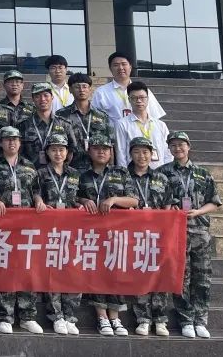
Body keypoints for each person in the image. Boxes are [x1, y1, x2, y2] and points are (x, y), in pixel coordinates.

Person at [0, 126, 43, 335]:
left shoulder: (29, 165)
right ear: (1, 143)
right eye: (7, 139)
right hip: (2, 225)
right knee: (4, 267)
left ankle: (27, 315)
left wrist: (39, 201)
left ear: (20, 142)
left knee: (27, 267)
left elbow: (36, 190)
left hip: (26, 225)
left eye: (15, 139)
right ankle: (5, 315)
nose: (12, 142)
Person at [159, 131, 221, 340]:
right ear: (169, 149)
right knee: (181, 276)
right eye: (173, 145)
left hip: (200, 232)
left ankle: (201, 320)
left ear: (188, 147)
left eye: (181, 145)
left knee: (202, 277)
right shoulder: (163, 173)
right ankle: (185, 319)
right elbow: (159, 202)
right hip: (175, 233)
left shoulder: (202, 173)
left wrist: (198, 212)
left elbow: (214, 202)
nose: (178, 148)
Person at [77, 134, 138, 336]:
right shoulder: (82, 175)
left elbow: (134, 200)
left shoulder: (121, 172)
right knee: (96, 271)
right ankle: (102, 316)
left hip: (117, 231)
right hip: (92, 232)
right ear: (89, 151)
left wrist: (114, 199)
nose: (101, 152)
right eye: (96, 148)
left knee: (115, 270)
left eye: (105, 148)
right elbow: (73, 196)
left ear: (111, 152)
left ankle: (115, 317)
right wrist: (83, 201)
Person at [32, 132, 81, 335]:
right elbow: (35, 192)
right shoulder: (41, 173)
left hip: (72, 229)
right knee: (52, 270)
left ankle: (70, 316)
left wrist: (84, 202)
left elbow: (79, 197)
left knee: (72, 270)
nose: (58, 153)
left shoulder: (75, 174)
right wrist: (38, 201)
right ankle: (57, 315)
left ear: (67, 152)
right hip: (50, 228)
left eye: (61, 150)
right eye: (54, 150)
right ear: (47, 153)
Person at [126, 136, 172, 337]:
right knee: (140, 275)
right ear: (130, 154)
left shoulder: (161, 178)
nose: (141, 156)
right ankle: (143, 319)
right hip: (134, 235)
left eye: (145, 152)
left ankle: (160, 319)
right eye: (137, 152)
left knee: (159, 274)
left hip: (157, 235)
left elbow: (168, 204)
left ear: (152, 154)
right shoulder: (123, 176)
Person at [55, 73, 113, 172]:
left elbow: (110, 144)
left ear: (90, 89)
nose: (81, 90)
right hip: (71, 168)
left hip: (97, 169)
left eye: (85, 86)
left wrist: (110, 168)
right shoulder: (61, 115)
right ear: (70, 90)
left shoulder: (102, 116)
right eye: (77, 87)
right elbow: (56, 143)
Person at [93, 52, 165, 126]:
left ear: (130, 67)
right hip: (114, 132)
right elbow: (95, 119)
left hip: (141, 132)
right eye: (116, 65)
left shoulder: (143, 91)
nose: (121, 68)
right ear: (110, 69)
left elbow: (155, 117)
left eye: (124, 64)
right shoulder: (101, 92)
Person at [114, 82, 173, 169]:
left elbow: (168, 152)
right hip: (134, 173)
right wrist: (124, 173)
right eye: (134, 98)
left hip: (159, 172)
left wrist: (167, 172)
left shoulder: (160, 125)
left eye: (142, 97)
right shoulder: (122, 124)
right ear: (129, 100)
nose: (138, 101)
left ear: (147, 99)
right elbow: (121, 153)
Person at [18, 83, 69, 167]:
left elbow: (71, 151)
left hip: (56, 172)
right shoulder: (24, 124)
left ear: (52, 97)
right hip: (31, 171)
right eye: (37, 96)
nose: (42, 99)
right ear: (33, 99)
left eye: (46, 95)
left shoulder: (64, 124)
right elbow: (18, 151)